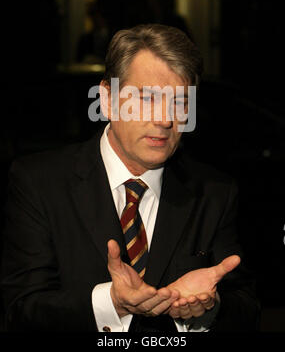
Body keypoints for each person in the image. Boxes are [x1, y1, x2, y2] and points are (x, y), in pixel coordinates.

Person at [1, 24, 259, 332]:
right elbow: (20, 311)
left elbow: (246, 309)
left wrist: (208, 310)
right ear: (107, 100)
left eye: (179, 102)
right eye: (147, 99)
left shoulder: (214, 192)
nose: (165, 119)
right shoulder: (39, 182)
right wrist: (109, 303)